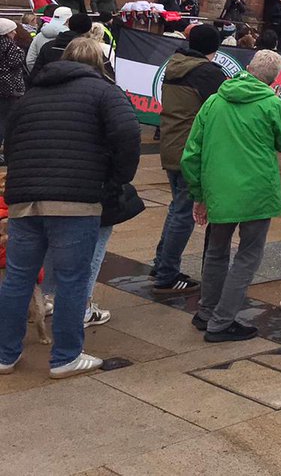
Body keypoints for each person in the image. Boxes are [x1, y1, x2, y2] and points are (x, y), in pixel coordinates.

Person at [0, 36, 141, 378]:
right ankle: (65, 356)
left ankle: (4, 354)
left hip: (26, 197)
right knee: (71, 279)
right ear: (99, 63)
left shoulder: (32, 94)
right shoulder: (106, 93)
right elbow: (128, 134)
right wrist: (116, 179)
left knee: (18, 277)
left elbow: (10, 141)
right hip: (76, 200)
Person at [183, 50, 281, 341]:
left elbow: (192, 152)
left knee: (216, 251)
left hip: (219, 188)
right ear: (274, 79)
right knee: (248, 256)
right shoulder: (273, 105)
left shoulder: (214, 101)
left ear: (247, 67)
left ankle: (207, 311)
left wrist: (199, 194)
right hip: (256, 191)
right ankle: (222, 321)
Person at [151, 24, 227, 296]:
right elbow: (226, 103)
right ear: (214, 48)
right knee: (184, 213)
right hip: (190, 149)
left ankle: (161, 265)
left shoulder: (176, 64)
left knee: (177, 209)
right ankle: (166, 275)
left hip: (172, 144)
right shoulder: (206, 72)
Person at [30, 12, 93, 78]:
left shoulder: (48, 46)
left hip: (49, 82)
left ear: (69, 24)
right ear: (88, 29)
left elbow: (35, 71)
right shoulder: (89, 49)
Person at [0, 19, 27, 154]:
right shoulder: (10, 45)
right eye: (12, 31)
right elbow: (15, 62)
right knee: (6, 119)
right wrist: (20, 52)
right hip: (9, 87)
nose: (15, 33)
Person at [26, 6, 71, 71]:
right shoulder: (72, 38)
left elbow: (30, 60)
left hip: (43, 74)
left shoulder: (39, 36)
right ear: (68, 20)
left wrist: (39, 74)